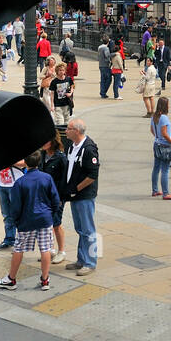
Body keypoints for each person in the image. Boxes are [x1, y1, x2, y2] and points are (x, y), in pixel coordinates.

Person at [0, 152, 61, 292]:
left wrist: (17, 221)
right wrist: (50, 214)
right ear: (39, 162)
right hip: (44, 219)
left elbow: (16, 207)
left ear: (26, 163)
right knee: (45, 249)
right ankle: (45, 280)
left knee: (19, 249)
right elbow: (55, 200)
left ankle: (11, 279)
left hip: (27, 221)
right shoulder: (47, 178)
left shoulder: (20, 182)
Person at [63, 118, 100, 276]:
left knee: (88, 230)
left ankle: (90, 263)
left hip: (83, 195)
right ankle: (81, 259)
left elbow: (92, 175)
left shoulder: (89, 149)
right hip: (74, 195)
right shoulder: (72, 146)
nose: (66, 131)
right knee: (80, 229)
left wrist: (76, 189)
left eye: (69, 128)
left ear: (76, 131)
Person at [39, 132, 69, 264]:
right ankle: (50, 250)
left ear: (53, 142)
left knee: (56, 224)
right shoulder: (42, 155)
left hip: (56, 197)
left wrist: (61, 199)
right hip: (43, 197)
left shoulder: (61, 158)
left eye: (46, 141)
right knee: (46, 224)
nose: (43, 144)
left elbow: (64, 180)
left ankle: (61, 251)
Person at [0, 159, 24, 250]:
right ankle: (9, 240)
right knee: (6, 215)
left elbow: (27, 162)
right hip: (2, 184)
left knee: (18, 214)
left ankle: (22, 241)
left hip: (16, 184)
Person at [50, 62, 74, 140]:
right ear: (57, 71)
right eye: (60, 70)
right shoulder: (54, 82)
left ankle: (67, 137)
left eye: (63, 70)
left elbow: (72, 86)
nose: (61, 72)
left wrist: (70, 93)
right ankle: (60, 138)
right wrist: (52, 105)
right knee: (60, 122)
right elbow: (52, 94)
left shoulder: (68, 79)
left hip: (67, 103)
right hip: (58, 105)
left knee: (67, 121)